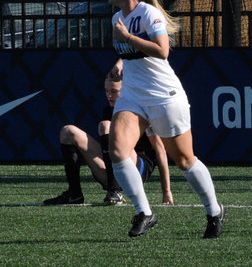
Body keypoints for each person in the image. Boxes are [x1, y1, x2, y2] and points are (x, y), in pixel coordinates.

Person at [106, 0, 224, 238]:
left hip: (163, 95)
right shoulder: (116, 18)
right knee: (118, 149)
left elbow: (162, 51)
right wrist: (120, 63)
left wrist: (128, 38)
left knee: (184, 160)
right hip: (133, 95)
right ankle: (144, 213)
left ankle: (214, 210)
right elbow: (129, 51)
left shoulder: (148, 13)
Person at [43, 76, 173, 206]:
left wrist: (166, 191)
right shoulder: (109, 110)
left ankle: (114, 191)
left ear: (127, 91)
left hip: (137, 169)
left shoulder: (143, 110)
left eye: (114, 91)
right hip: (114, 168)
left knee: (105, 125)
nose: (109, 95)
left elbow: (160, 150)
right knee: (68, 131)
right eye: (106, 91)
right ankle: (74, 194)